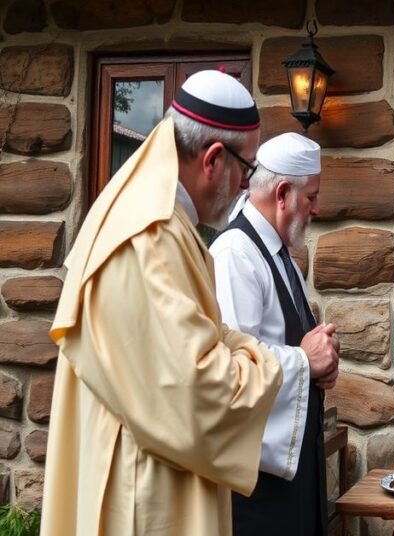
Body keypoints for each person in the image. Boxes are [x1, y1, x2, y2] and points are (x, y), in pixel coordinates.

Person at [42, 70, 284, 535]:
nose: (244, 187)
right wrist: (264, 362)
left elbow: (197, 337)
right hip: (142, 494)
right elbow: (201, 396)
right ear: (214, 159)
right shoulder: (148, 238)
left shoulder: (151, 214)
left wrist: (229, 344)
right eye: (247, 169)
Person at [210, 133, 339, 536]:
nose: (317, 207)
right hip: (261, 483)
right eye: (311, 197)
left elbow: (291, 344)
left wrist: (322, 366)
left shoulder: (281, 255)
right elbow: (234, 369)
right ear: (283, 193)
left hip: (296, 463)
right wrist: (305, 360)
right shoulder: (235, 254)